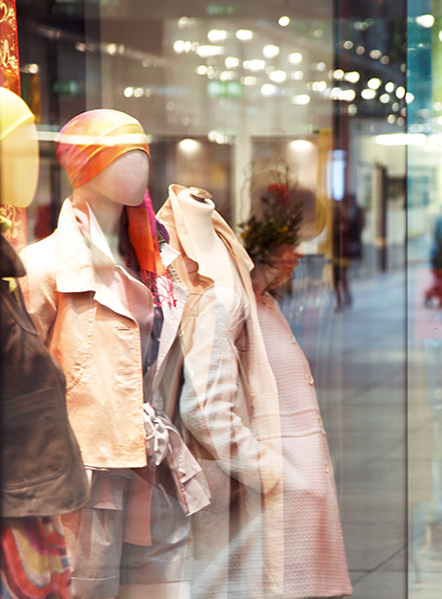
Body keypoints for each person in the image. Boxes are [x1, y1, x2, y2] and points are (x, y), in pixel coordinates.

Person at [20, 110, 209, 599]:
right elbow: (21, 384)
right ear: (83, 166)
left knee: (164, 588)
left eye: (142, 154)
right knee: (87, 588)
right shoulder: (42, 268)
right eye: (122, 155)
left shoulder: (158, 264)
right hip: (88, 471)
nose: (138, 167)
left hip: (155, 461)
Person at [157, 184, 284, 599]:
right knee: (208, 577)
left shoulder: (222, 244)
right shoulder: (168, 257)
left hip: (223, 452)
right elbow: (203, 409)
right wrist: (263, 465)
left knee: (225, 573)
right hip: (205, 457)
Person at [0, 88, 89, 599]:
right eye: (16, 146)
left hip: (28, 499)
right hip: (15, 503)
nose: (29, 162)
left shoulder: (8, 270)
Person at [251, 243, 353, 599]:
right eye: (288, 248)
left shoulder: (267, 304)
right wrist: (273, 471)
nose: (297, 257)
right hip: (283, 475)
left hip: (298, 478)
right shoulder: (239, 306)